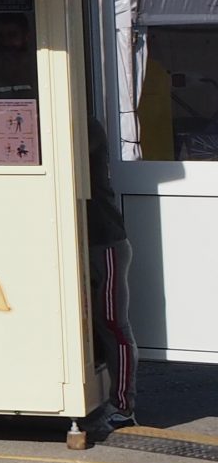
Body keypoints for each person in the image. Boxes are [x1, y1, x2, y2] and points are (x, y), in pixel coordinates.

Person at [88, 119, 137, 428]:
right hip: (89, 240)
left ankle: (123, 405)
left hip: (105, 241)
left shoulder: (87, 128)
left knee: (113, 325)